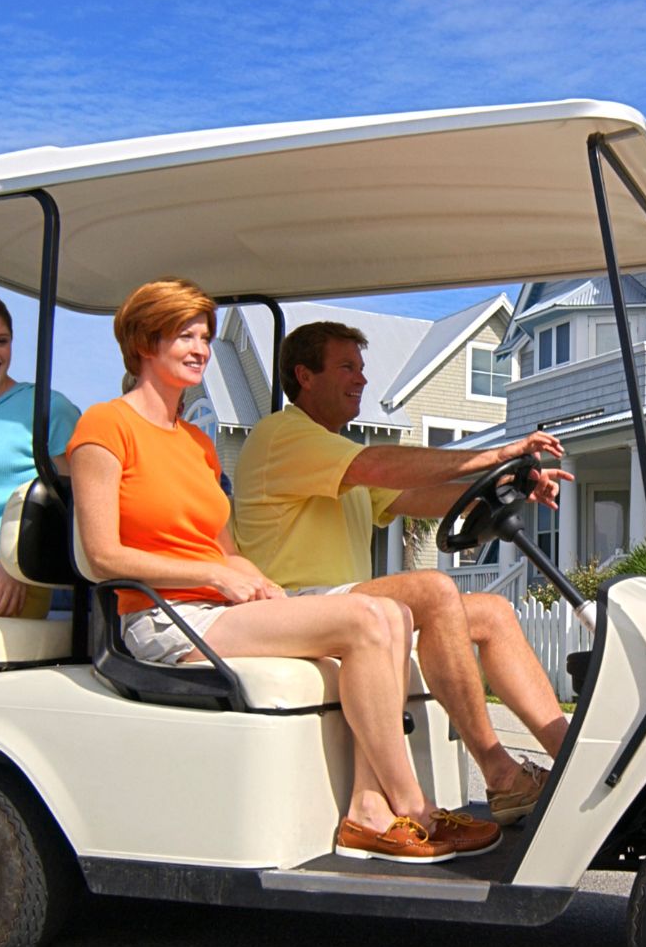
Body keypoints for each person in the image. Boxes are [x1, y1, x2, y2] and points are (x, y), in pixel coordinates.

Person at [68, 278, 499, 864]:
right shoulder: (105, 426)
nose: (199, 348)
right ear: (145, 341)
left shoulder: (196, 442)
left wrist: (251, 579)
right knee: (370, 617)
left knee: (392, 611)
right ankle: (413, 809)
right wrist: (219, 577)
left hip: (215, 612)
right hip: (157, 616)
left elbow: (223, 546)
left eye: (203, 336)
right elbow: (101, 556)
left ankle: (368, 811)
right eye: (183, 335)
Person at [234, 320, 574, 825]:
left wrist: (508, 485)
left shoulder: (332, 452)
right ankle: (500, 772)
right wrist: (496, 453)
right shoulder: (283, 436)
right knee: (434, 590)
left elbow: (412, 498)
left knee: (494, 612)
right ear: (305, 375)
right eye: (347, 366)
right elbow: (379, 468)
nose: (362, 379)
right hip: (294, 606)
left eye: (362, 368)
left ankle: (572, 760)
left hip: (347, 604)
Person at [0, 289, 80, 618]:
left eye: (0, 341)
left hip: (7, 570)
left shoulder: (49, 409)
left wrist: (16, 562)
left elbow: (74, 503)